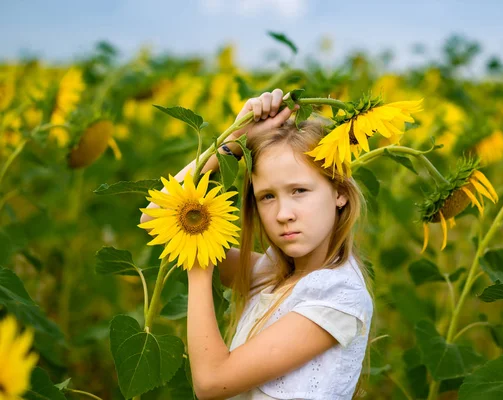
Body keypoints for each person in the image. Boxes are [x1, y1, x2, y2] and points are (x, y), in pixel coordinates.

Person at [140, 88, 375, 399]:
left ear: (339, 193)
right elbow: (156, 216)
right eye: (267, 196)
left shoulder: (336, 295)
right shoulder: (275, 272)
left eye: (300, 191)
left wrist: (198, 260)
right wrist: (232, 142)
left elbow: (210, 383)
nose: (283, 214)